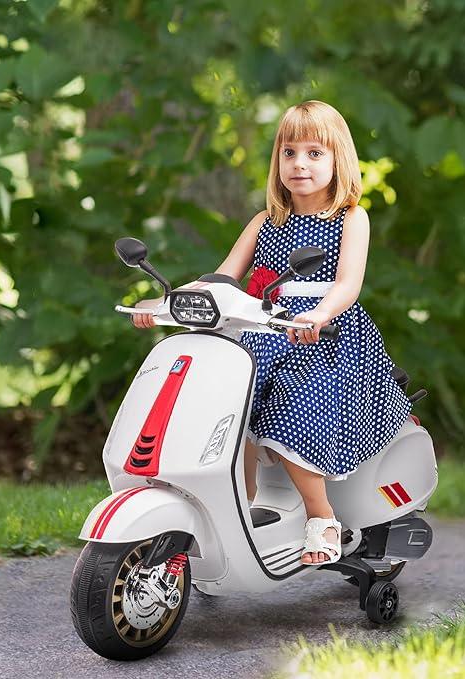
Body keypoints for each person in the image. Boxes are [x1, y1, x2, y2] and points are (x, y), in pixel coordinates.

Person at [132, 100, 412, 566]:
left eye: (314, 153)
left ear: (338, 159)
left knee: (295, 403)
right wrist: (162, 303)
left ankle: (320, 517)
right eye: (289, 152)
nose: (299, 164)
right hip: (263, 332)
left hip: (325, 338)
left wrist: (317, 315)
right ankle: (235, 509)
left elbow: (347, 285)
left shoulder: (349, 218)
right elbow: (221, 279)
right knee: (224, 405)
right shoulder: (265, 222)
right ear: (277, 160)